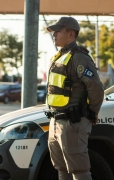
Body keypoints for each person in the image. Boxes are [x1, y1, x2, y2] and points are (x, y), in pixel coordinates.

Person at [45, 17, 104, 180]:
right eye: (53, 31)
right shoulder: (59, 57)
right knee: (62, 169)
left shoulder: (79, 57)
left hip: (73, 122)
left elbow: (96, 89)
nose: (54, 34)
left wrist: (91, 113)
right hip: (56, 121)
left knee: (79, 171)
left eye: (58, 31)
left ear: (71, 33)